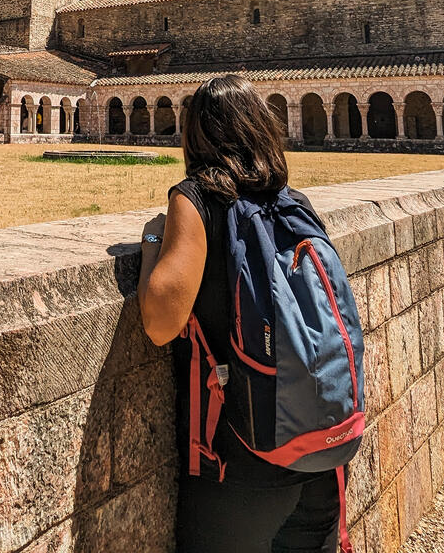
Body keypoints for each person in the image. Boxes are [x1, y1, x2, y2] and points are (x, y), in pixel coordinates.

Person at [138, 75, 343, 553]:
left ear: (196, 135)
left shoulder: (198, 197)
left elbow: (160, 321)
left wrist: (154, 237)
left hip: (242, 463)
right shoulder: (295, 204)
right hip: (318, 451)